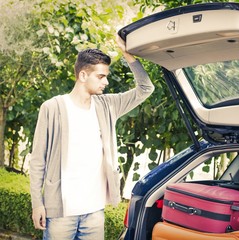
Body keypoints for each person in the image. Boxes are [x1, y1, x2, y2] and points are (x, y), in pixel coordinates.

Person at [29, 34, 154, 240]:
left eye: (106, 76)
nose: (105, 81)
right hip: (61, 213)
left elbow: (145, 89)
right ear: (83, 75)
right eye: (100, 76)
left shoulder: (107, 106)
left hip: (94, 212)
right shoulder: (52, 108)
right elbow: (37, 162)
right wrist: (37, 204)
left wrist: (127, 54)